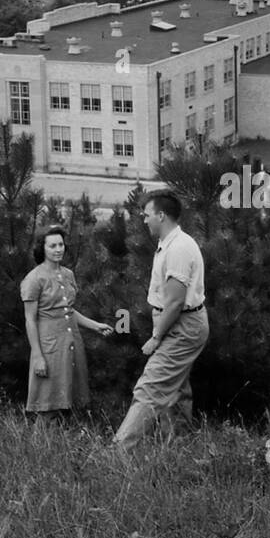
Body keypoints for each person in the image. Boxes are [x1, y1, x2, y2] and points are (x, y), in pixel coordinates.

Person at [113, 190, 208, 454]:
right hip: (180, 323)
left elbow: (176, 302)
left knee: (150, 388)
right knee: (176, 391)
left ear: (161, 215)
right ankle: (180, 450)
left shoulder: (178, 248)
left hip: (182, 326)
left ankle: (118, 452)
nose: (144, 221)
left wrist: (156, 337)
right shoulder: (171, 243)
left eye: (147, 215)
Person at [21, 226, 113, 420]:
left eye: (61, 244)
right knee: (48, 398)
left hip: (70, 341)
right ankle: (41, 444)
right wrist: (37, 356)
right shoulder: (34, 279)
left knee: (70, 395)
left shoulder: (68, 274)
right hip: (49, 344)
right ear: (42, 248)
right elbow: (30, 319)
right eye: (52, 245)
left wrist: (95, 326)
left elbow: (67, 310)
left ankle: (66, 441)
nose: (58, 249)